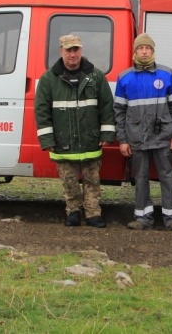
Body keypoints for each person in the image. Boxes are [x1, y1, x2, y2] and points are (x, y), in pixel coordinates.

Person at [34, 34, 116, 228]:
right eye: (68, 50)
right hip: (64, 141)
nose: (73, 54)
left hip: (91, 141)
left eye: (76, 50)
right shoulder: (48, 79)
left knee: (92, 180)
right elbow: (41, 111)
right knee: (69, 181)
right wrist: (47, 139)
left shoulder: (96, 76)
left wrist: (106, 134)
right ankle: (73, 212)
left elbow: (107, 106)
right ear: (61, 51)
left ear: (81, 50)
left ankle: (94, 213)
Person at [114, 33, 172, 231]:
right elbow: (119, 111)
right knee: (141, 178)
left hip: (164, 138)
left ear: (153, 51)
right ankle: (142, 217)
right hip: (136, 139)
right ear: (135, 51)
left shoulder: (166, 74)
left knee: (167, 177)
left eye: (148, 48)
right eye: (141, 48)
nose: (144, 51)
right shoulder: (125, 77)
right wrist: (123, 140)